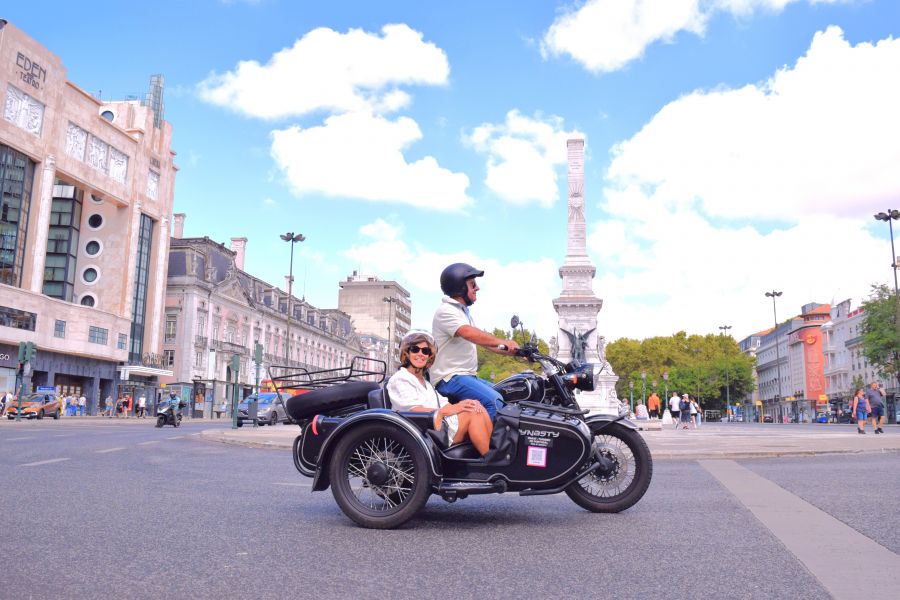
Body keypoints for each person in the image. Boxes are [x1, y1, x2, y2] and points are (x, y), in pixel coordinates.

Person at [430, 263, 519, 420]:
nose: (477, 288)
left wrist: (514, 351)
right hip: (450, 379)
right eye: (472, 284)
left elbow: (485, 342)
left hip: (467, 377)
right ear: (460, 287)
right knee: (495, 402)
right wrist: (504, 341)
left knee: (510, 395)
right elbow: (469, 333)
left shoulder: (462, 312)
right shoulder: (446, 310)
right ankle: (486, 444)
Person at [387, 331, 493, 455]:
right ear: (407, 352)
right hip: (422, 431)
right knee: (474, 413)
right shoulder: (400, 378)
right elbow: (412, 410)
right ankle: (491, 460)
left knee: (476, 406)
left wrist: (465, 404)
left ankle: (492, 453)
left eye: (425, 351)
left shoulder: (426, 383)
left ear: (429, 356)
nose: (420, 354)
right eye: (415, 349)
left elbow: (444, 404)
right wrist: (444, 411)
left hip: (437, 425)